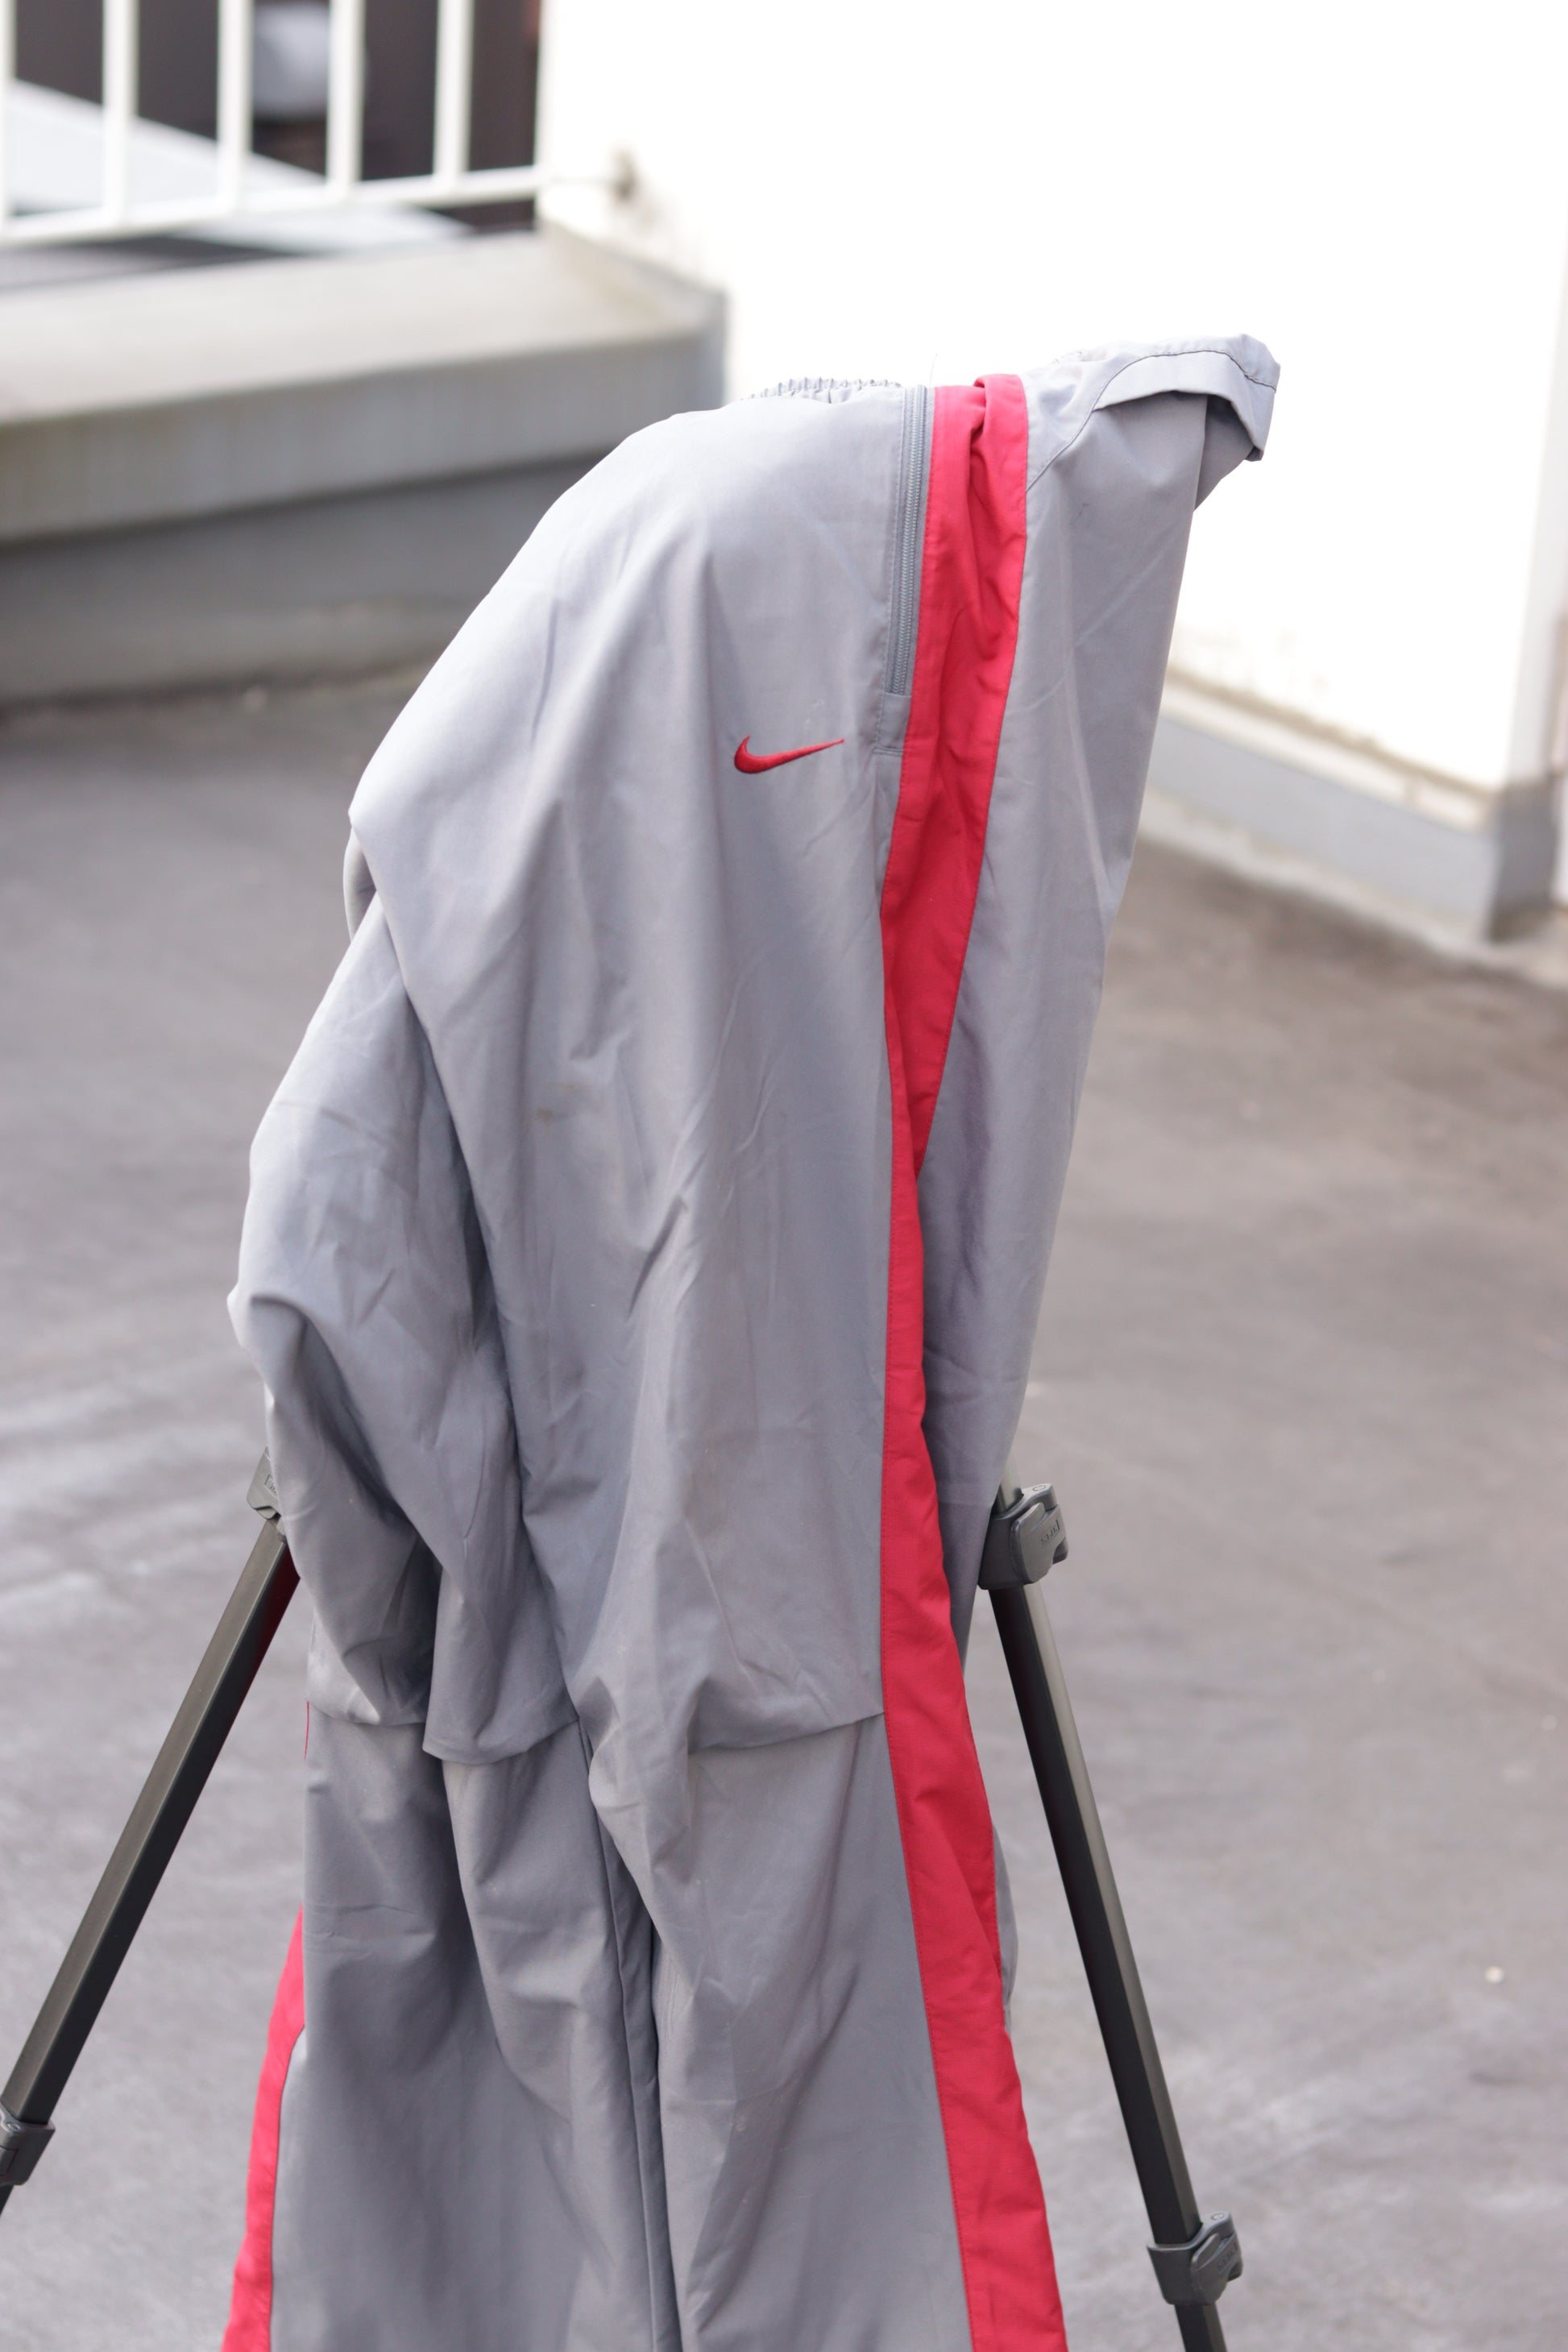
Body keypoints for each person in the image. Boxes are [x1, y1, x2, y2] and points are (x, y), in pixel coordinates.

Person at [225, 340, 1276, 2352]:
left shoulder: (618, 602)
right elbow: (339, 1236)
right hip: (740, 1521)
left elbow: (324, 1237)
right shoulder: (721, 621)